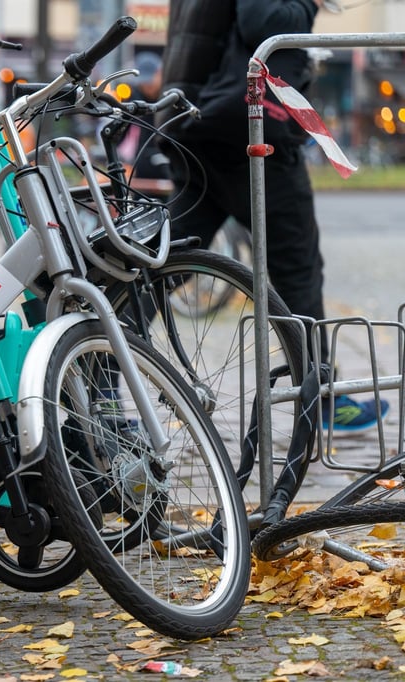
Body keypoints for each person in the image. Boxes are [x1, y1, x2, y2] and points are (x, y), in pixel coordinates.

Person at [160, 0, 388, 432]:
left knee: (166, 256)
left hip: (200, 116)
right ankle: (319, 398)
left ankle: (97, 366)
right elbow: (262, 19)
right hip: (246, 124)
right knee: (297, 264)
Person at [119, 51, 169, 181]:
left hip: (170, 158)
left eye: (150, 81)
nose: (147, 86)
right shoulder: (134, 97)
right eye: (143, 82)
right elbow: (121, 128)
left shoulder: (170, 96)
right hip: (143, 158)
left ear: (159, 74)